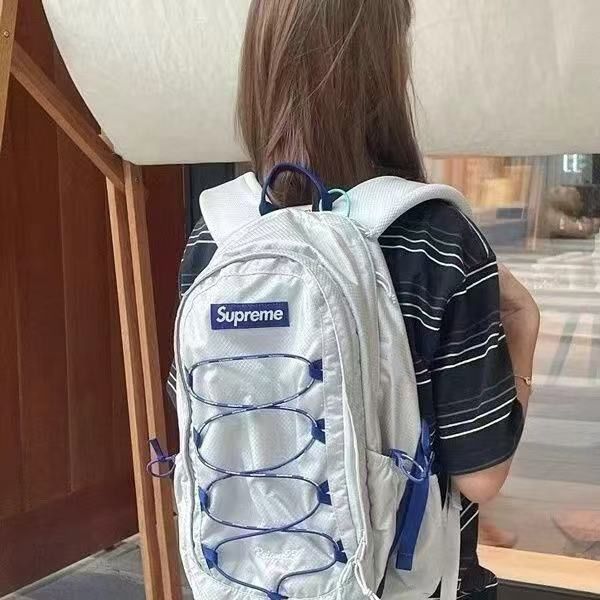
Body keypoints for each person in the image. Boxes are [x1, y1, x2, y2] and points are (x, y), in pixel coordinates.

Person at [170, 1, 539, 597]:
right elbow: (482, 477)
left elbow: (201, 424)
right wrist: (524, 329)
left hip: (243, 582)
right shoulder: (437, 237)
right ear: (387, 70)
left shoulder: (217, 235)